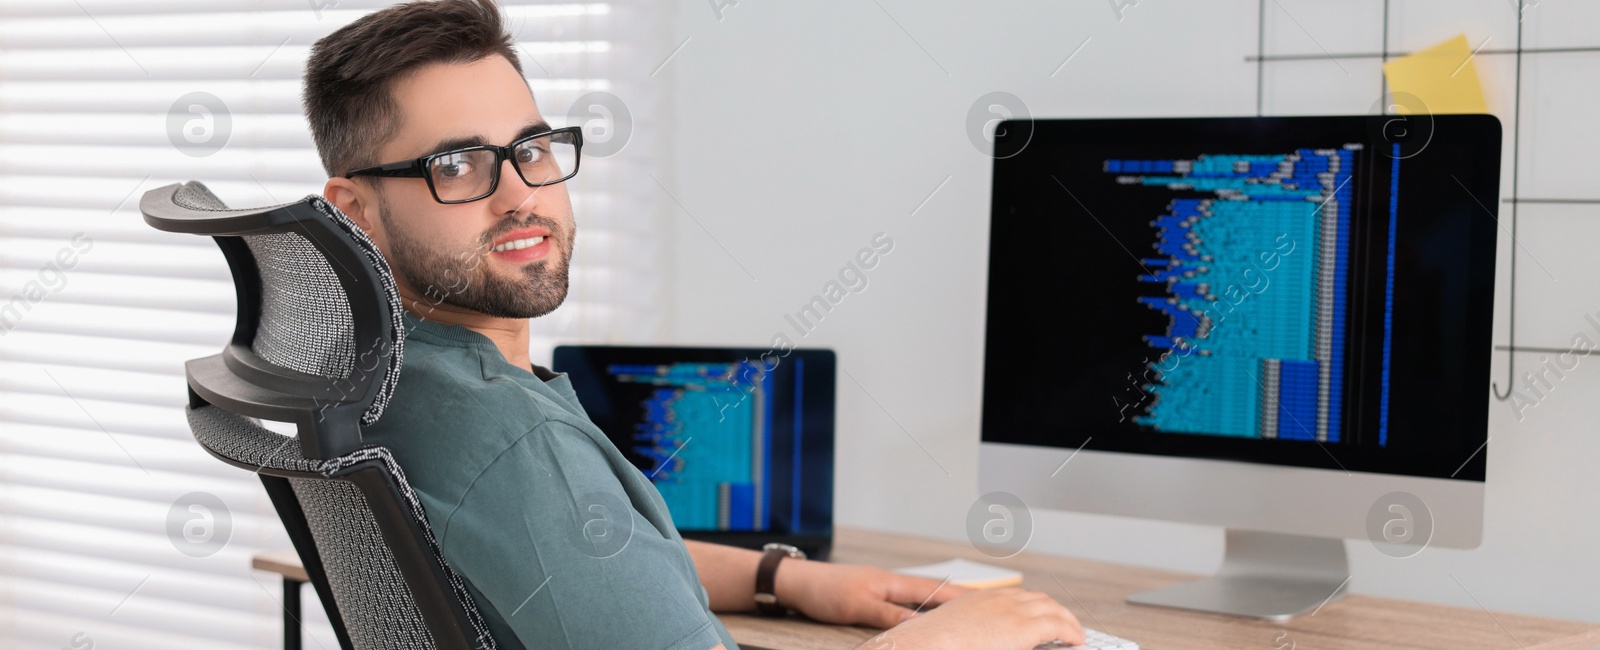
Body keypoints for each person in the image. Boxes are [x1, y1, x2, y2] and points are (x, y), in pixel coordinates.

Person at [306, 1, 1086, 648]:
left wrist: (782, 576)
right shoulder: (512, 440)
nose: (521, 196)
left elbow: (589, 556)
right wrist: (947, 637)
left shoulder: (393, 380)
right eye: (456, 166)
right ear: (356, 213)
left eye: (531, 148)